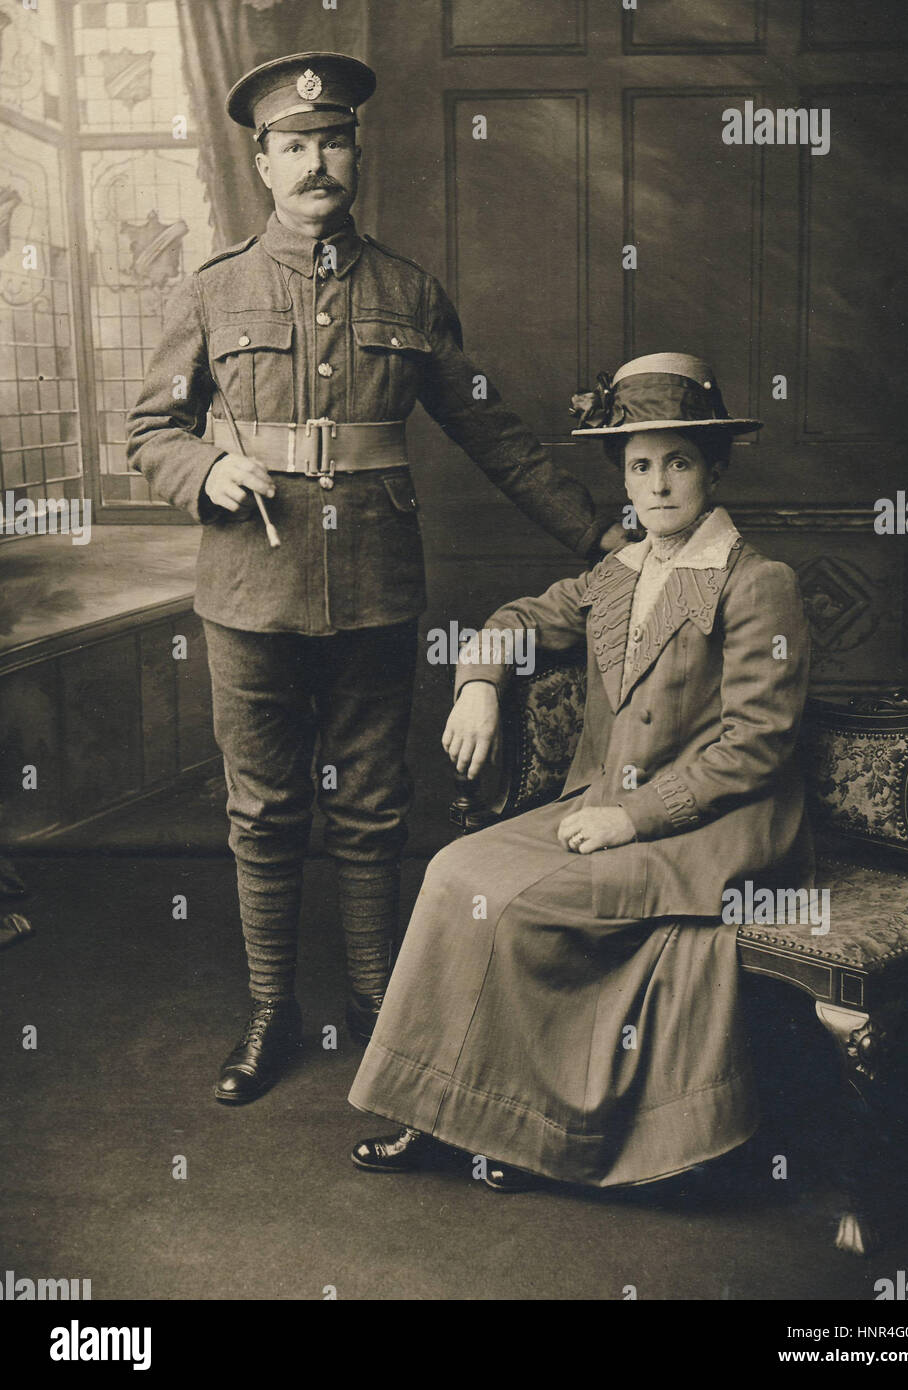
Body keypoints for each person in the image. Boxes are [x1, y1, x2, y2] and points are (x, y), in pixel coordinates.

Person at [126, 52, 618, 1105]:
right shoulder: (213, 291)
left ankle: (374, 998)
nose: (316, 161)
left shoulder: (410, 293)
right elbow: (148, 429)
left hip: (378, 589)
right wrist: (207, 469)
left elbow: (493, 433)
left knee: (375, 803)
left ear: (356, 152)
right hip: (248, 587)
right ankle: (271, 1009)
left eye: (332, 140)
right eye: (293, 145)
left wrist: (603, 538)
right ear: (261, 162)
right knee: (262, 809)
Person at [349, 352, 813, 1191]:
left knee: (519, 905)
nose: (660, 484)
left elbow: (757, 743)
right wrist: (481, 683)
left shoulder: (757, 583)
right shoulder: (615, 575)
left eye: (678, 462)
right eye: (641, 466)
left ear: (712, 470)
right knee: (453, 869)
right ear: (623, 482)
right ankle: (443, 1115)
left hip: (716, 831)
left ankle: (524, 1133)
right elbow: (516, 620)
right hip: (605, 804)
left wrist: (631, 819)